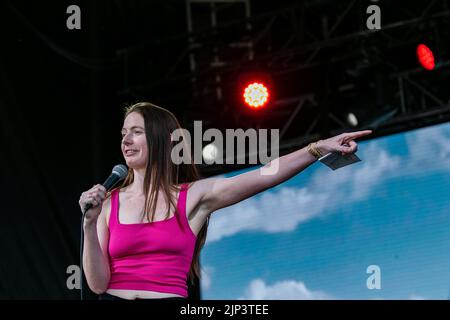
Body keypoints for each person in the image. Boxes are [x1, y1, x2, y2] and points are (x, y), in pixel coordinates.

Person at [78, 101, 372, 300]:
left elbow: (263, 175)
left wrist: (316, 149)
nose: (126, 140)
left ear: (163, 140)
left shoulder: (192, 196)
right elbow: (96, 284)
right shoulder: (107, 203)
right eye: (123, 133)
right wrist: (89, 225)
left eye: (137, 132)